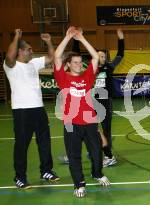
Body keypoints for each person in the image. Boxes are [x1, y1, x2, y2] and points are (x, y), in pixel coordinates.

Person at [54, 27, 110, 198]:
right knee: (74, 155)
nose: (79, 65)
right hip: (71, 124)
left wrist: (82, 38)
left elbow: (95, 57)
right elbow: (57, 56)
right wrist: (67, 37)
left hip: (90, 122)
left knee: (96, 153)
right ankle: (79, 184)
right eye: (75, 62)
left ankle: (97, 173)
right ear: (68, 65)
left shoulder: (87, 77)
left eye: (80, 62)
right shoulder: (63, 78)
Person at [4, 29, 59, 189]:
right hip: (22, 111)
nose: (32, 51)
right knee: (22, 144)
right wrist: (16, 37)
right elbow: (9, 55)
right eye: (29, 49)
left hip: (38, 110)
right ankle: (20, 177)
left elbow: (51, 57)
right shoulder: (11, 66)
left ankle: (46, 171)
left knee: (44, 141)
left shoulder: (33, 63)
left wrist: (49, 42)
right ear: (20, 51)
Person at [94, 28, 125, 167]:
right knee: (91, 128)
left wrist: (121, 39)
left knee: (106, 129)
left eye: (103, 56)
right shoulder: (91, 69)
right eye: (99, 56)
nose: (102, 58)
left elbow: (120, 55)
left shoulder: (109, 67)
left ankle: (108, 154)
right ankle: (94, 149)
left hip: (106, 102)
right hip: (92, 102)